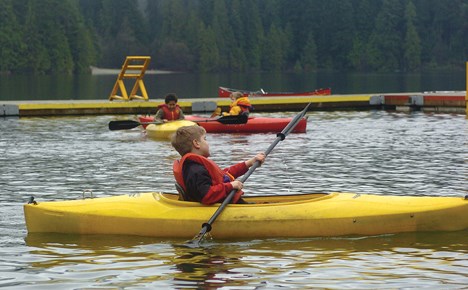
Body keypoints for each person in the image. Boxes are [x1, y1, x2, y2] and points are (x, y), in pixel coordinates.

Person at [171, 125, 266, 205]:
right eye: (205, 139)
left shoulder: (196, 166)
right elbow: (206, 195)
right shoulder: (195, 169)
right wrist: (230, 186)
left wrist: (249, 163)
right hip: (226, 206)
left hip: (229, 203)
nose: (208, 143)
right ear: (196, 143)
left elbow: (226, 174)